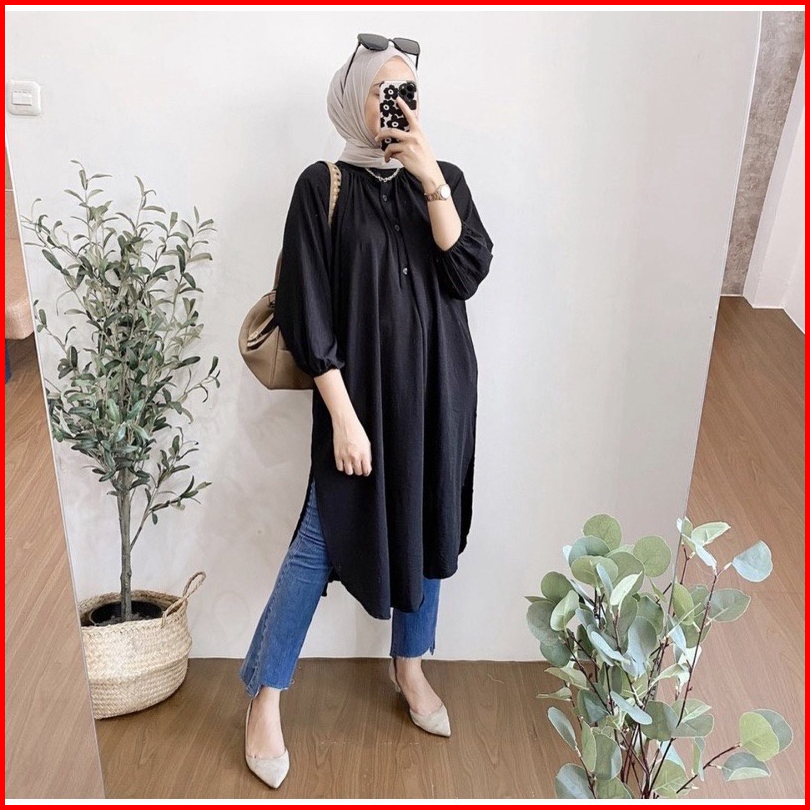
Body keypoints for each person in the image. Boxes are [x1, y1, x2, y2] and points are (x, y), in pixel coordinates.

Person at [240, 34, 494, 789]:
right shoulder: (322, 186)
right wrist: (343, 418)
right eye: (386, 91)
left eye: (410, 91)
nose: (399, 105)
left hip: (441, 395)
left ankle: (410, 669)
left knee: (428, 523)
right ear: (355, 98)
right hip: (360, 403)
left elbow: (467, 270)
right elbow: (307, 309)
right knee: (320, 542)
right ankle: (264, 694)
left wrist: (429, 177)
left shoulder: (443, 178)